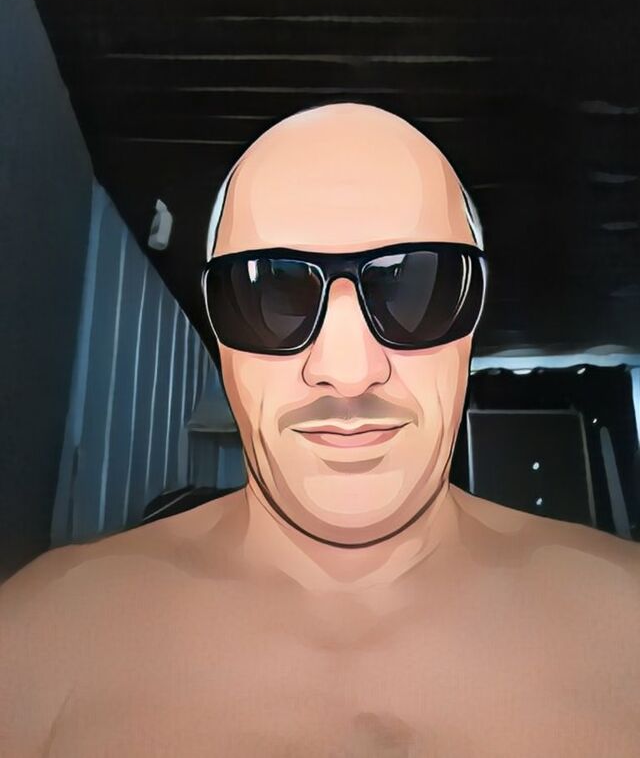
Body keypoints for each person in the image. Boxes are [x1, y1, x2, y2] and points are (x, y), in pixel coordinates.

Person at [1, 103, 638, 758]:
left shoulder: (625, 624)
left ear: (472, 315)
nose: (348, 371)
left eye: (417, 284)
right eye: (269, 293)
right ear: (219, 334)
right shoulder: (49, 639)